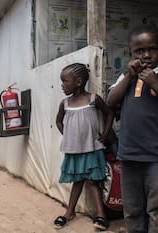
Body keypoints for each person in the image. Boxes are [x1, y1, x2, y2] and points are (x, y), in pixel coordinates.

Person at [107, 24, 158, 233]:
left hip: (157, 158)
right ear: (131, 53)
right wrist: (130, 77)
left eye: (153, 49)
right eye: (140, 51)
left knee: (157, 210)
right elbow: (111, 100)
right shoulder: (126, 77)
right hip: (129, 156)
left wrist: (156, 85)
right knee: (132, 209)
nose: (147, 55)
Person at [54, 63, 113, 230]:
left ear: (78, 82)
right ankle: (69, 213)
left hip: (92, 147)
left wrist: (105, 134)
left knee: (93, 181)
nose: (62, 85)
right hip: (74, 149)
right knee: (78, 180)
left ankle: (101, 216)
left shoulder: (93, 99)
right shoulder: (64, 103)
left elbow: (109, 114)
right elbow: (58, 121)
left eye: (65, 81)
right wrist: (67, 135)